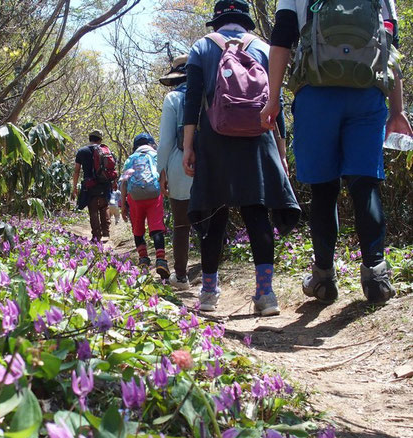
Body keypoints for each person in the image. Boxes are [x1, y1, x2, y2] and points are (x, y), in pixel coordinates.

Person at [261, 0, 413, 304]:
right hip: (367, 94)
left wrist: (273, 98)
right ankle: (376, 274)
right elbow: (390, 47)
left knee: (323, 188)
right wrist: (397, 109)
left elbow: (280, 43)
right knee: (365, 182)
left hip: (316, 95)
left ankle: (324, 277)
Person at [182, 0, 301, 316]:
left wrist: (189, 146)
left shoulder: (201, 48)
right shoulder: (262, 47)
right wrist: (281, 149)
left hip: (214, 140)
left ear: (217, 21)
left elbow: (192, 102)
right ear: (246, 21)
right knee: (256, 211)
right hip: (258, 137)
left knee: (213, 214)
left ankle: (208, 293)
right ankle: (266, 295)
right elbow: (275, 102)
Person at [158, 54, 194, 290]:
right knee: (209, 223)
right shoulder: (210, 94)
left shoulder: (173, 98)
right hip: (210, 166)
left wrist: (161, 171)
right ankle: (212, 277)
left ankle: (181, 277)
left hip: (180, 167)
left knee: (181, 225)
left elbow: (165, 143)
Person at [121, 133, 170, 279]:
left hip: (134, 198)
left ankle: (143, 259)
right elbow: (163, 175)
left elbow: (124, 182)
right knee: (156, 228)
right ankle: (161, 260)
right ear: (151, 144)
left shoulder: (130, 159)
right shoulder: (156, 156)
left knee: (138, 228)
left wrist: (123, 204)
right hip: (154, 195)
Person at [71, 129, 113, 242]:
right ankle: (106, 232)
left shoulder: (82, 151)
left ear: (90, 138)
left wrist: (74, 186)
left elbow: (76, 171)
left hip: (89, 185)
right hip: (104, 184)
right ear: (100, 139)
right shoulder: (106, 150)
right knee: (104, 207)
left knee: (93, 209)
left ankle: (96, 236)